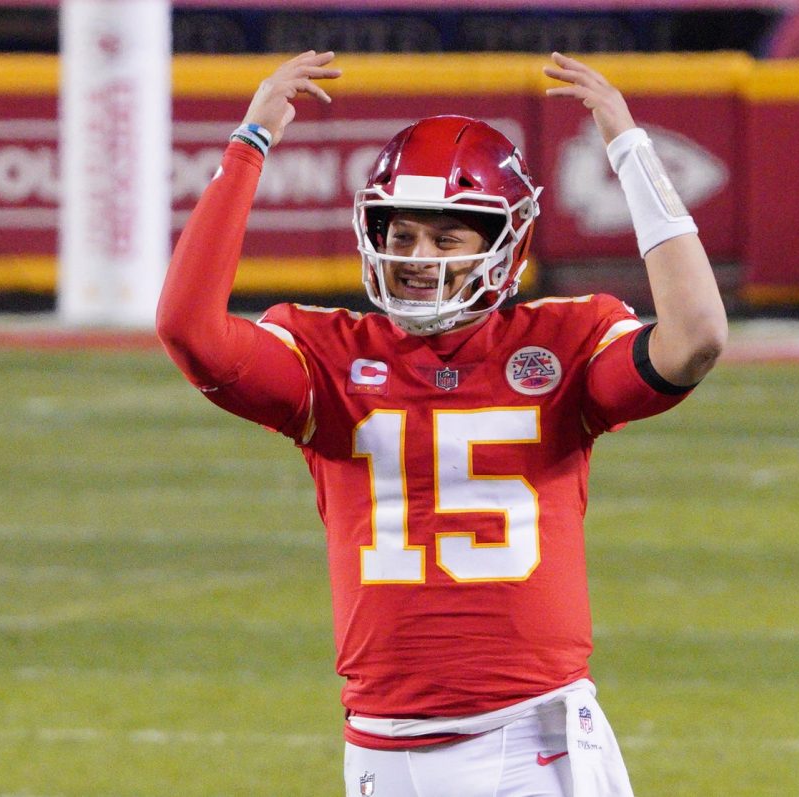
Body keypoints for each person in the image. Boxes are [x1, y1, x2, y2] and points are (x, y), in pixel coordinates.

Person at [157, 50, 727, 797]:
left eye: (446, 237)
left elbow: (695, 337)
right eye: (401, 235)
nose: (418, 257)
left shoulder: (561, 344)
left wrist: (628, 147)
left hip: (534, 740)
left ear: (504, 244)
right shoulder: (328, 357)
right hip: (381, 747)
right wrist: (250, 142)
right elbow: (187, 329)